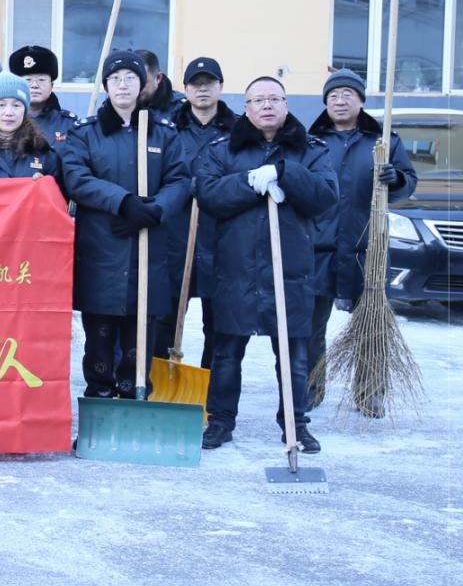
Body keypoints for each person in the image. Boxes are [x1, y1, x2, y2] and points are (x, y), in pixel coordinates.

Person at [197, 76, 338, 453]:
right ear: (246, 108)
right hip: (236, 270)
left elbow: (325, 196)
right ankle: (220, 421)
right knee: (226, 354)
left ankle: (296, 424)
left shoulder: (310, 150)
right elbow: (208, 194)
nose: (267, 106)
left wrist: (286, 173)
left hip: (290, 270)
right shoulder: (223, 149)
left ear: (286, 104)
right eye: (258, 100)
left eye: (274, 99)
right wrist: (249, 182)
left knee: (294, 357)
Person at [63, 50, 190, 399]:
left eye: (130, 78)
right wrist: (123, 203)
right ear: (106, 85)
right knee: (99, 340)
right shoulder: (86, 134)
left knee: (139, 339)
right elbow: (77, 178)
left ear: (143, 84)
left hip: (146, 250)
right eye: (115, 79)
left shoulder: (162, 133)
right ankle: (100, 396)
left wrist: (155, 210)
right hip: (101, 251)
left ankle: (134, 395)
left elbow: (180, 180)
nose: (123, 85)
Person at [307, 68, 416, 415]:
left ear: (361, 101)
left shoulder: (383, 141)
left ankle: (370, 392)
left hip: (367, 247)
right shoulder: (312, 141)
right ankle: (309, 388)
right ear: (325, 102)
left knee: (371, 322)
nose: (340, 101)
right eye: (333, 95)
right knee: (310, 325)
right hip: (319, 247)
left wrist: (396, 179)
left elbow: (408, 182)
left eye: (347, 94)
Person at [152, 57, 237, 368]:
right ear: (185, 89)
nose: (203, 89)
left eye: (209, 83)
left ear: (221, 87)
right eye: (196, 84)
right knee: (165, 319)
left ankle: (212, 387)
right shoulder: (167, 129)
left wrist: (213, 188)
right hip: (174, 237)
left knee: (219, 325)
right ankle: (158, 381)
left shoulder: (239, 129)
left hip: (222, 238)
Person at [8, 45, 80, 148]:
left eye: (41, 80)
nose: (34, 85)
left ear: (51, 86)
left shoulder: (68, 124)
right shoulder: (5, 120)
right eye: (28, 80)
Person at [134, 48, 186, 122]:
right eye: (130, 80)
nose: (136, 87)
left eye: (142, 82)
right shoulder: (120, 104)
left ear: (158, 78)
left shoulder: (182, 108)